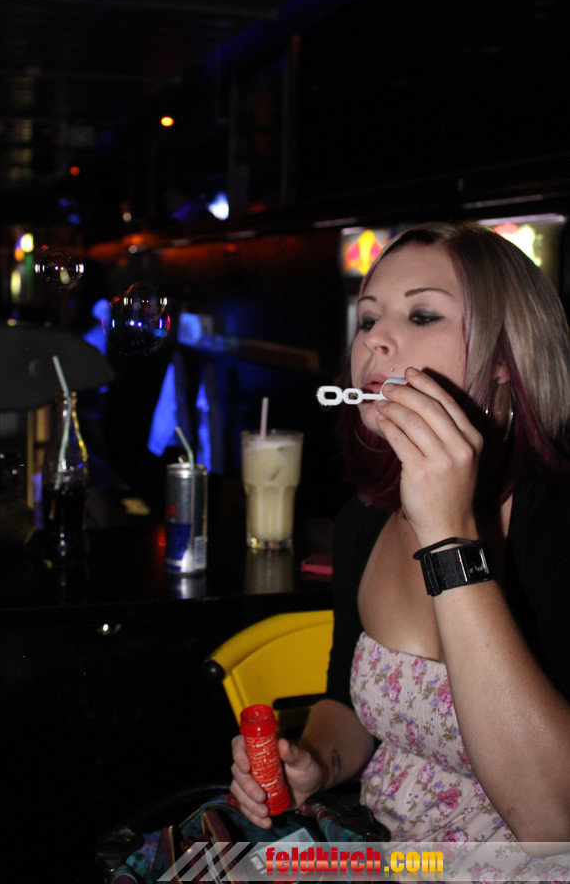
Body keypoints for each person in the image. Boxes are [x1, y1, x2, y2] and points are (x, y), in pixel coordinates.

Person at [230, 221, 570, 844]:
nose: (374, 341)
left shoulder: (555, 525)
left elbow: (556, 822)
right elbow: (347, 705)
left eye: (421, 316)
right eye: (368, 319)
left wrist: (448, 536)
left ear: (504, 358)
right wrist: (316, 763)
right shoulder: (364, 520)